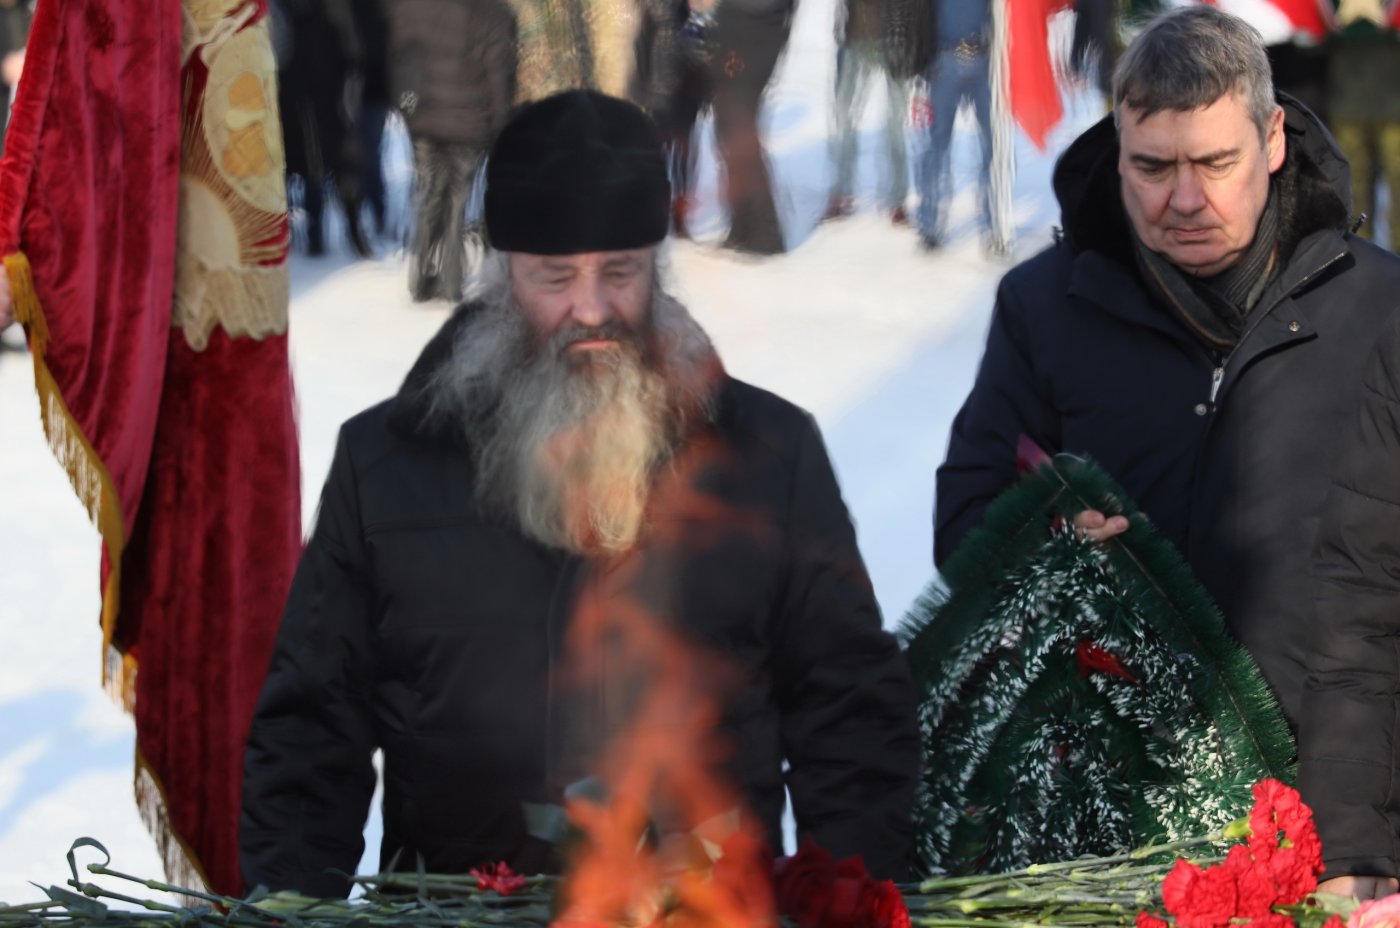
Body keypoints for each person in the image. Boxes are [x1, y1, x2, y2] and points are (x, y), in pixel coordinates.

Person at [240, 90, 919, 897]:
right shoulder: (386, 464)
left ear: (656, 269)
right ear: (503, 276)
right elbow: (312, 734)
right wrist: (289, 909)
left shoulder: (769, 456)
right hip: (457, 911)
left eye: (620, 272)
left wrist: (848, 900)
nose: (591, 308)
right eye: (555, 277)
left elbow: (850, 717)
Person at [934, 5, 1400, 898]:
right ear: (1118, 152)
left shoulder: (1381, 310)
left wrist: (1361, 845)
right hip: (1109, 838)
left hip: (1334, 832)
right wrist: (1040, 541)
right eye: (1153, 167)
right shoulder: (1044, 308)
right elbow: (965, 526)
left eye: (1215, 163)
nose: (1184, 200)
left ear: (1271, 140)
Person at [390, 0, 516, 302]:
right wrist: (500, 126)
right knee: (458, 201)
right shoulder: (494, 13)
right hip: (469, 123)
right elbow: (499, 74)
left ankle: (420, 279)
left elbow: (402, 58)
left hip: (425, 120)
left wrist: (408, 108)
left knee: (429, 196)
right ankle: (451, 283)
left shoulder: (415, 7)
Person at [915, 0, 1004, 253]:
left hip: (985, 64)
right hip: (945, 63)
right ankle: (929, 227)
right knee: (936, 146)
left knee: (993, 147)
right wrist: (921, 64)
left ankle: (994, 227)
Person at [822, 0, 915, 225]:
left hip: (894, 45)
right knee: (844, 121)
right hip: (853, 43)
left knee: (895, 125)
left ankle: (897, 201)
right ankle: (841, 194)